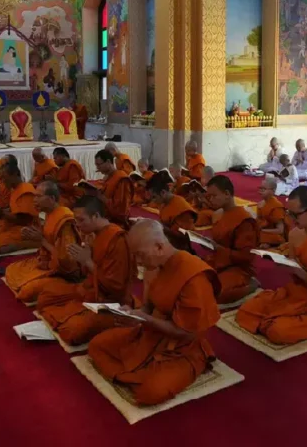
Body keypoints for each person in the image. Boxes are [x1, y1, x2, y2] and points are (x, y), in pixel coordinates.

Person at [87, 220, 220, 406]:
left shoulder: (193, 275)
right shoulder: (154, 267)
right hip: (149, 335)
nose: (138, 263)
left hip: (182, 348)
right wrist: (132, 315)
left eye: (140, 255)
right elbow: (147, 308)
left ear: (159, 246)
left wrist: (146, 319)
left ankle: (146, 374)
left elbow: (186, 332)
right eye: (135, 256)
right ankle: (137, 374)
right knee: (96, 345)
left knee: (150, 393)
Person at [236, 186, 307, 344]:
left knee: (278, 331)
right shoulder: (295, 234)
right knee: (247, 310)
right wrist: (284, 263)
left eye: (295, 214)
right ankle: (276, 319)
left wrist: (297, 270)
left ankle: (279, 322)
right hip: (298, 292)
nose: (290, 219)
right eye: (289, 213)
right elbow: (295, 273)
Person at [36, 195, 136, 345]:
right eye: (76, 220)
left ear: (95, 216)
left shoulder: (117, 240)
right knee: (45, 298)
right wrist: (81, 261)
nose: (77, 225)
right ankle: (74, 313)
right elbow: (83, 274)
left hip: (111, 302)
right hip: (88, 291)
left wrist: (87, 262)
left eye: (81, 220)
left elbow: (117, 287)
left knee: (73, 330)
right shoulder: (92, 234)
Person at [4, 181, 82, 302]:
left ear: (51, 198)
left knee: (26, 292)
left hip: (64, 274)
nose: (34, 200)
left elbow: (67, 261)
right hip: (48, 262)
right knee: (11, 269)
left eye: (39, 196)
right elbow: (46, 240)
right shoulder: (50, 214)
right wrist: (34, 235)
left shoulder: (65, 221)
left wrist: (41, 240)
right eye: (34, 196)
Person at [204, 175, 259, 304]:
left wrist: (219, 249)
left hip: (238, 268)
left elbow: (246, 257)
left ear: (227, 194)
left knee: (218, 293)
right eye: (208, 197)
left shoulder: (244, 220)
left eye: (213, 196)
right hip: (218, 260)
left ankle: (251, 285)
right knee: (193, 279)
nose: (210, 200)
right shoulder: (219, 214)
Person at [0, 163, 40, 256]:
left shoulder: (26, 190)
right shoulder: (14, 189)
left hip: (26, 228)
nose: (1, 181)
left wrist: (2, 213)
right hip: (11, 222)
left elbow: (25, 220)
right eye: (0, 177)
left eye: (4, 177)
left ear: (15, 174)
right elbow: (12, 209)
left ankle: (24, 244)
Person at [147, 173, 198, 251]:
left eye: (154, 197)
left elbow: (185, 236)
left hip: (181, 249)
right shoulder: (163, 204)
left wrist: (160, 227)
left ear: (163, 192)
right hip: (166, 241)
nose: (153, 200)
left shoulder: (181, 207)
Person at [92, 149, 134, 226]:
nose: (97, 168)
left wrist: (102, 198)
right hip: (104, 217)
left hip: (116, 223)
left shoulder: (122, 179)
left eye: (99, 165)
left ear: (108, 162)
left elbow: (121, 211)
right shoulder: (110, 177)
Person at [256, 175, 286, 246]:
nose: (261, 191)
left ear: (273, 191)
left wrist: (262, 230)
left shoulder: (276, 206)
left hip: (273, 234)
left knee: (260, 235)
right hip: (263, 230)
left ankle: (266, 242)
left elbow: (280, 230)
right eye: (260, 188)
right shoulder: (260, 204)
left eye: (264, 189)